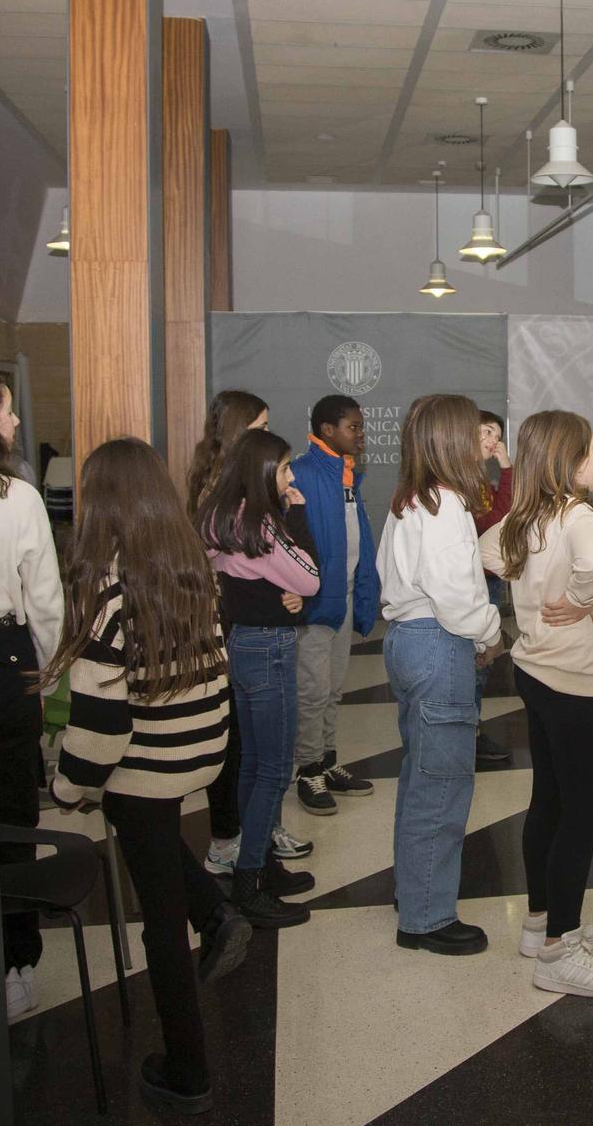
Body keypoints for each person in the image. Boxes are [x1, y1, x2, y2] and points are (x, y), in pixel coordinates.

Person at [46, 438, 251, 1116]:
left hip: (145, 767)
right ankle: (216, 909)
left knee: (159, 923)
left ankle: (188, 1069)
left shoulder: (109, 591)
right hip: (197, 752)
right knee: (158, 846)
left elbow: (102, 727)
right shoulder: (190, 569)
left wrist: (67, 788)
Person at [477, 410, 593, 998]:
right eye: (591, 450)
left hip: (534, 671)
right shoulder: (578, 514)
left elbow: (489, 552)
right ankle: (558, 950)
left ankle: (540, 919)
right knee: (583, 810)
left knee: (548, 797)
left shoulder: (526, 514)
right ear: (568, 462)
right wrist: (578, 595)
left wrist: (542, 589)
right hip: (572, 678)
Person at [379, 394, 505, 956]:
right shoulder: (446, 503)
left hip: (408, 641)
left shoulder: (411, 499)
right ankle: (427, 917)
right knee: (444, 786)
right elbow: (457, 596)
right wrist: (490, 631)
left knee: (419, 776)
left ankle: (414, 890)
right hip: (438, 643)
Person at [198, 429, 323, 927]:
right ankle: (250, 880)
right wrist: (295, 513)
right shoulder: (262, 525)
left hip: (241, 645)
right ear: (264, 472)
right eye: (286, 469)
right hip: (269, 648)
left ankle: (259, 864)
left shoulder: (218, 518)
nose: (292, 478)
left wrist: (288, 591)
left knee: (252, 762)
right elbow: (310, 577)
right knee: (272, 768)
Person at [0, 371, 64, 1022]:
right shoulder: (17, 497)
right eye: (7, 412)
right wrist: (52, 685)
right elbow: (44, 603)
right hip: (3, 659)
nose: (13, 424)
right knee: (13, 814)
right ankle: (14, 965)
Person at [289, 396, 380, 815]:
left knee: (333, 689)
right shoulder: (303, 474)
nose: (361, 435)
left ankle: (325, 761)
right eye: (354, 427)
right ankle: (307, 769)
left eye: (361, 427)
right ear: (327, 430)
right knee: (311, 690)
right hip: (314, 604)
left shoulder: (347, 476)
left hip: (342, 597)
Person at [470, 410, 513, 765]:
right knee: (476, 661)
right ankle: (468, 734)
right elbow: (493, 520)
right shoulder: (464, 480)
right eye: (486, 432)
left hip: (490, 577)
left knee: (482, 664)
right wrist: (509, 473)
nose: (492, 440)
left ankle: (472, 729)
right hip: (474, 583)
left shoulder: (480, 478)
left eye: (497, 434)